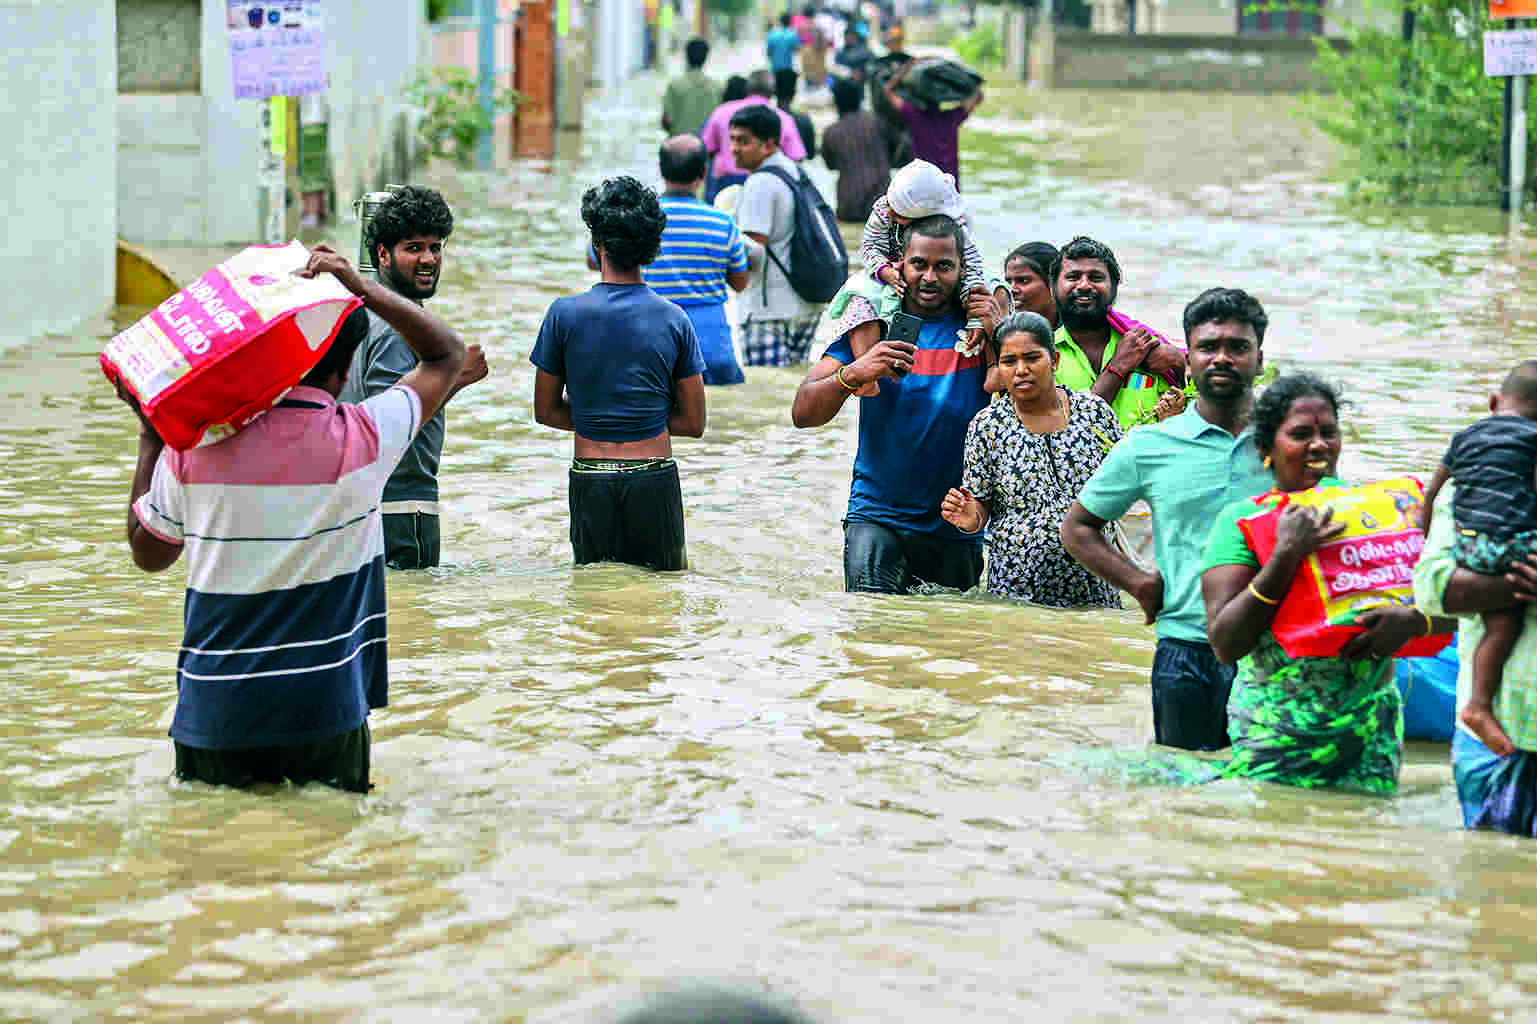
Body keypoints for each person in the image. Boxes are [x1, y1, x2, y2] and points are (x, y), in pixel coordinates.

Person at [120, 245, 467, 793]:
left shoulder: (196, 447)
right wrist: (362, 286)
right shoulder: (366, 438)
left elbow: (149, 552)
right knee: (331, 860)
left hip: (215, 714)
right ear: (345, 366)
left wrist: (150, 439)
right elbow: (447, 355)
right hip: (324, 709)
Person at [1200, 374, 1442, 793]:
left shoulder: (1375, 516)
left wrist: (1414, 622)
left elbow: (1458, 614)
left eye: (1328, 432)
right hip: (1278, 735)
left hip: (1370, 733)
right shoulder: (1242, 522)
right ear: (1266, 450)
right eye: (1300, 434)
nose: (1318, 445)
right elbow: (1225, 642)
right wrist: (1284, 557)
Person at [1061, 287, 1275, 751]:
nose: (1221, 358)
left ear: (1260, 360)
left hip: (1279, 650)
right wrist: (1137, 583)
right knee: (1185, 799)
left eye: (1237, 347)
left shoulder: (1291, 443)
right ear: (1187, 357)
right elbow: (1077, 527)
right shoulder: (1149, 445)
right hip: (1186, 648)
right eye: (1207, 347)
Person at [790, 214, 999, 593]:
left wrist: (998, 332)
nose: (930, 278)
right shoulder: (874, 325)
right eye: (920, 264)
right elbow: (802, 412)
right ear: (900, 262)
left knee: (950, 645)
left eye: (944, 266)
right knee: (871, 631)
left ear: (963, 269)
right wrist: (856, 372)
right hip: (877, 515)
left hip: (957, 523)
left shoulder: (981, 331)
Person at [532, 177, 706, 571]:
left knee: (594, 606)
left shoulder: (563, 314)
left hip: (590, 476)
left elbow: (545, 411)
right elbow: (694, 422)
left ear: (597, 245)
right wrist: (644, 423)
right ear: (650, 247)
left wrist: (599, 420)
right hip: (654, 477)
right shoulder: (675, 319)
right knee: (660, 605)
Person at [340, 185, 489, 570]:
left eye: (435, 247)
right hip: (401, 508)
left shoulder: (356, 313)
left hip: (361, 503)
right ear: (383, 255)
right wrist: (457, 377)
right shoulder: (399, 328)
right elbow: (386, 423)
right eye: (413, 248)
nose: (428, 259)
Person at [940, 311, 1123, 606]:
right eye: (1009, 362)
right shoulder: (988, 425)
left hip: (1095, 591)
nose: (1021, 370)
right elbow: (979, 509)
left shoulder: (1095, 412)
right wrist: (968, 518)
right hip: (1019, 595)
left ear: (1054, 361)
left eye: (1032, 358)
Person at [1418, 360, 1537, 756]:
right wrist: (1513, 586)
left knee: (1500, 626)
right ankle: (1480, 706)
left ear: (1493, 402)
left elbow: (1429, 496)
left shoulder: (1466, 449)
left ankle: (1479, 705)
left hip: (1477, 547)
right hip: (1502, 739)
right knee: (1505, 621)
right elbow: (1431, 591)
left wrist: (1419, 529)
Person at [1414, 459, 1537, 833]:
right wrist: (1515, 585)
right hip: (1492, 738)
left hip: (1494, 732)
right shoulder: (1480, 483)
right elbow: (1432, 589)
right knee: (1486, 874)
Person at [1048, 236, 1184, 430]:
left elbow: (1189, 413)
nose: (1084, 285)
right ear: (1053, 287)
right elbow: (1068, 432)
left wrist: (1179, 364)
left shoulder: (1148, 346)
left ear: (1114, 286)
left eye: (1096, 277)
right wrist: (1119, 365)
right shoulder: (1041, 354)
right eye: (1073, 277)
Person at [650, 135, 751, 385]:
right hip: (711, 346)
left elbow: (596, 260)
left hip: (650, 341)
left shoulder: (640, 218)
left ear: (661, 170)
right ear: (704, 172)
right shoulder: (722, 223)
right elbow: (740, 283)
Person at [730, 104, 825, 368]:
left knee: (761, 394)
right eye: (732, 140)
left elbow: (754, 253)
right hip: (807, 305)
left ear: (768, 144)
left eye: (743, 141)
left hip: (768, 312)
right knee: (792, 394)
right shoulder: (797, 173)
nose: (734, 149)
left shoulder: (760, 183)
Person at [701, 70, 808, 203]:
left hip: (724, 181)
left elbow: (706, 148)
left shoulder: (722, 111)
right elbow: (796, 157)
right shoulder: (783, 118)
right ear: (773, 91)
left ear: (747, 88)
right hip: (767, 183)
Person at [882, 58, 981, 189]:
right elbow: (977, 96)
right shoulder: (952, 118)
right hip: (949, 187)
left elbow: (888, 91)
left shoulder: (915, 116)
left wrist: (906, 68)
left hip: (923, 186)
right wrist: (958, 69)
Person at [821, 77, 892, 224]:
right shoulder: (878, 123)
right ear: (860, 99)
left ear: (836, 102)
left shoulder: (831, 132)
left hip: (849, 207)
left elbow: (830, 165)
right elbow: (897, 151)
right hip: (882, 205)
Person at [663, 38, 720, 136]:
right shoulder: (716, 87)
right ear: (706, 57)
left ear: (686, 56)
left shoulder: (675, 85)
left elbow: (667, 120)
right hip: (706, 145)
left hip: (679, 143)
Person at [774, 65, 816, 159]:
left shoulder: (764, 118)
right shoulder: (804, 121)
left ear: (774, 91)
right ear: (794, 92)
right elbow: (810, 154)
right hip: (794, 171)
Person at [766, 14, 801, 80]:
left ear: (780, 22)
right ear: (790, 22)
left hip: (775, 69)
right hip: (788, 69)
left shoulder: (772, 34)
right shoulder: (793, 35)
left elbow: (768, 53)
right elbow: (797, 51)